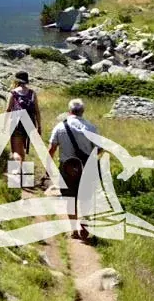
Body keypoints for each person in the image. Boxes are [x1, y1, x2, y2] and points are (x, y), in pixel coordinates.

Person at [49, 99, 99, 240]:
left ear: (69, 111)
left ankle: (73, 230)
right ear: (83, 111)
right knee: (86, 198)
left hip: (67, 168)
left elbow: (52, 148)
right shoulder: (91, 127)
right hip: (86, 168)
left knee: (70, 199)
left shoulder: (60, 127)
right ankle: (84, 224)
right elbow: (99, 149)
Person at [6, 71, 41, 188]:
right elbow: (37, 111)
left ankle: (17, 175)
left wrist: (4, 125)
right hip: (29, 125)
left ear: (16, 80)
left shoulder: (13, 93)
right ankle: (23, 178)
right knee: (22, 151)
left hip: (16, 124)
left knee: (16, 152)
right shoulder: (32, 93)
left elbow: (8, 110)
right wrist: (39, 127)